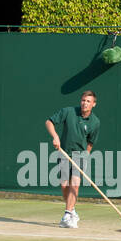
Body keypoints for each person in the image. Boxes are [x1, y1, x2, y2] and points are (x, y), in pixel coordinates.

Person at [44, 90, 100, 228]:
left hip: (80, 155)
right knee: (64, 185)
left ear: (94, 104)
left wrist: (85, 155)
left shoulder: (95, 122)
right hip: (64, 153)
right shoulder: (68, 111)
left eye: (88, 101)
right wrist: (55, 137)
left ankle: (67, 214)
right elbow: (49, 122)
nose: (85, 103)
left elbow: (90, 142)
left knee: (75, 183)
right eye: (83, 100)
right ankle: (72, 211)